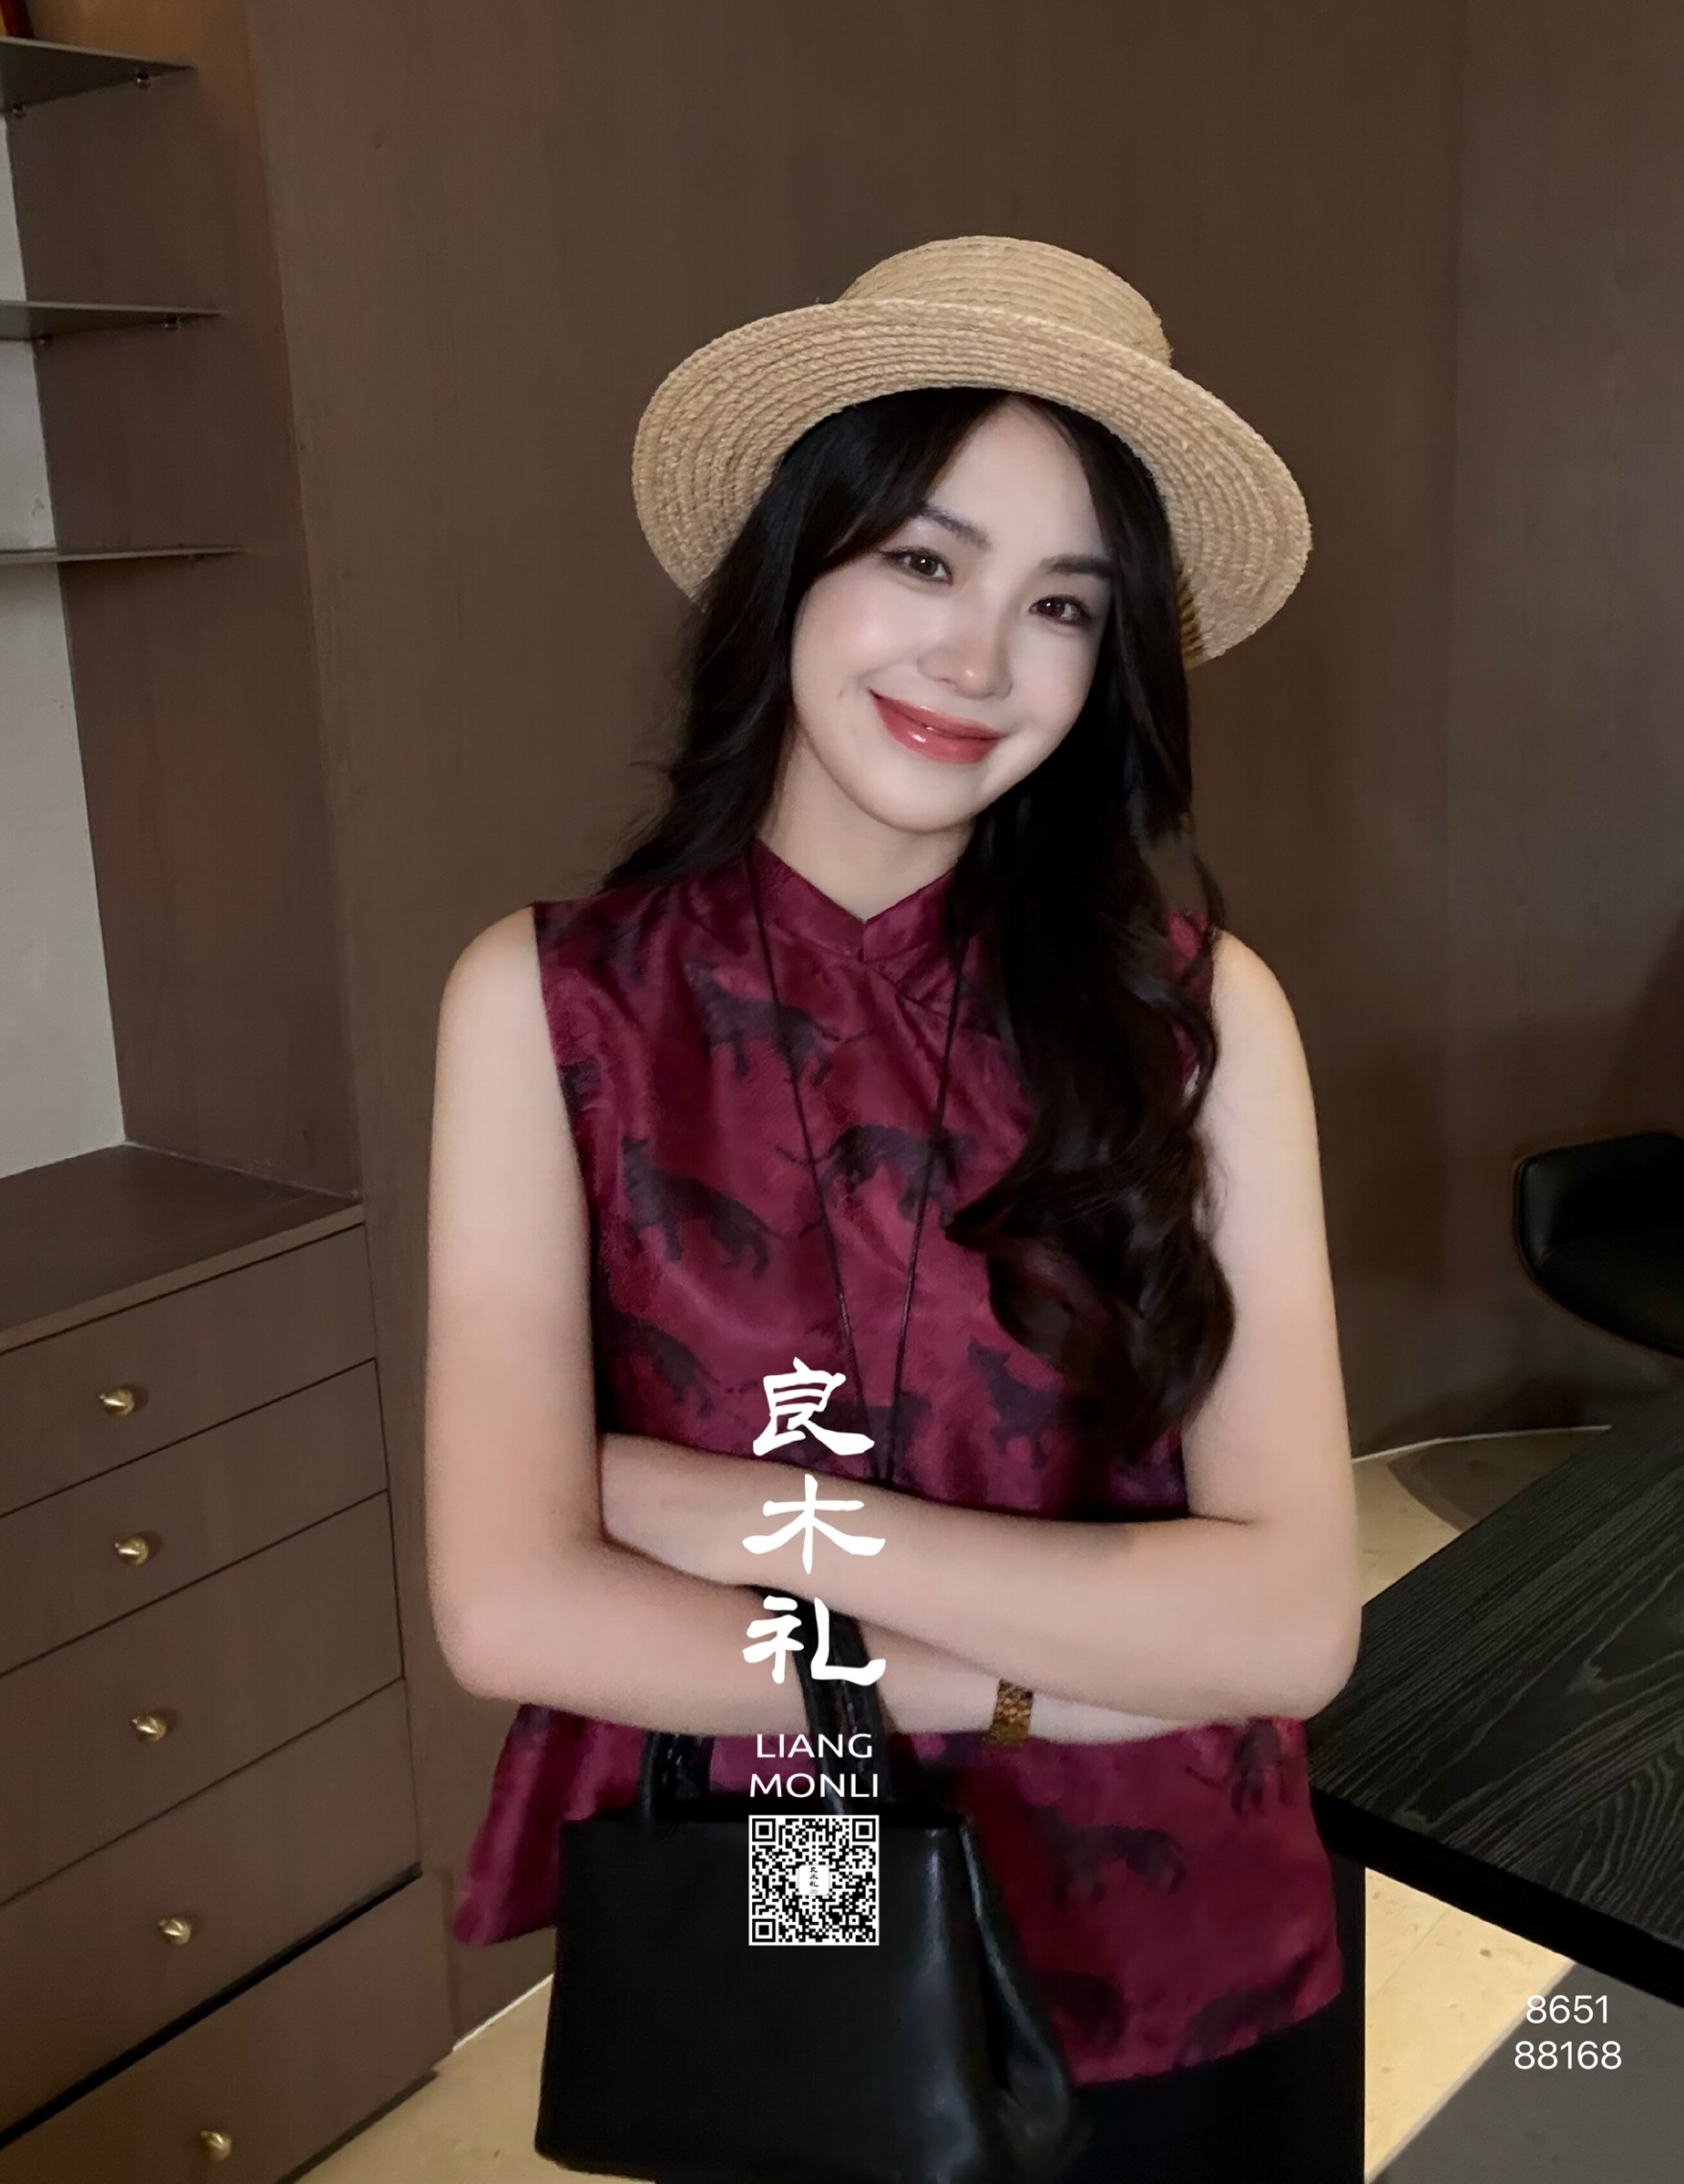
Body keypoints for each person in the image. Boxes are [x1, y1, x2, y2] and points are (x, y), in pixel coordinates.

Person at [424, 236, 1363, 2180]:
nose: (978, 661)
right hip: (790, 1882)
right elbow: (513, 1604)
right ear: (793, 561)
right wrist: (1036, 1687)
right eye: (925, 563)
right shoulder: (548, 1003)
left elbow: (1286, 1626)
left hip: (1183, 1929)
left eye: (1062, 604)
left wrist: (726, 1518)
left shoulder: (1201, 1017)